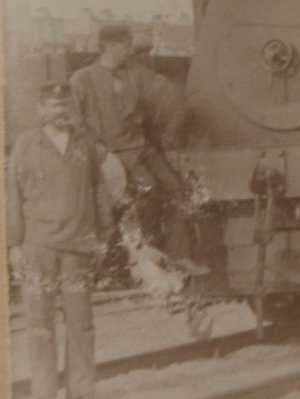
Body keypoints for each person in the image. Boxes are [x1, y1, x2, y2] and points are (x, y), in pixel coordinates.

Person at [7, 83, 119, 399]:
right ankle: (43, 393)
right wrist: (14, 244)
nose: (63, 111)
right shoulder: (26, 145)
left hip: (78, 248)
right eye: (55, 106)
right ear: (41, 110)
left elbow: (99, 194)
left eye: (67, 106)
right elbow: (12, 197)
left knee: (81, 322)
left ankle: (82, 390)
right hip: (37, 247)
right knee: (40, 322)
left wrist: (102, 238)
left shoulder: (86, 145)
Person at [69, 23, 202, 274]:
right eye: (126, 47)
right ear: (109, 47)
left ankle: (180, 254)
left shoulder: (135, 75)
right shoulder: (82, 79)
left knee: (176, 187)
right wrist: (98, 152)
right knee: (147, 189)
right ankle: (149, 254)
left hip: (140, 148)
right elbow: (75, 121)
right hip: (110, 154)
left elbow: (164, 93)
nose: (130, 52)